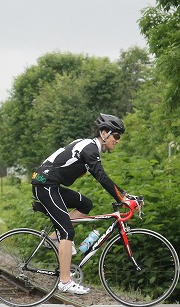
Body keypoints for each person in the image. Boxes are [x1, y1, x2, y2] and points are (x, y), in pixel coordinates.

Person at [31, 113, 132, 295]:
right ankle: (64, 281)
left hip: (50, 184)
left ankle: (54, 238)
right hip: (45, 185)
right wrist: (123, 199)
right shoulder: (90, 149)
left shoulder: (90, 147)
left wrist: (124, 195)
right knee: (68, 231)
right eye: (116, 136)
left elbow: (100, 176)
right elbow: (101, 177)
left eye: (119, 137)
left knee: (85, 204)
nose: (117, 141)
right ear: (104, 133)